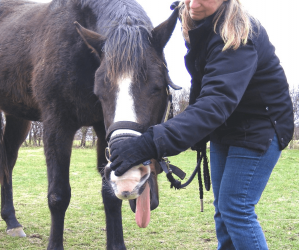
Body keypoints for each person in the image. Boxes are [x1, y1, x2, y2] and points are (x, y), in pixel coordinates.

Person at [109, 0, 294, 249]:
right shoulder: (202, 27)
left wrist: (152, 142)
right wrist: (190, 135)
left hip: (261, 128)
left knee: (236, 209)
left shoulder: (238, 35)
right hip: (227, 127)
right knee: (223, 211)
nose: (193, 3)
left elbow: (217, 101)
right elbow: (203, 89)